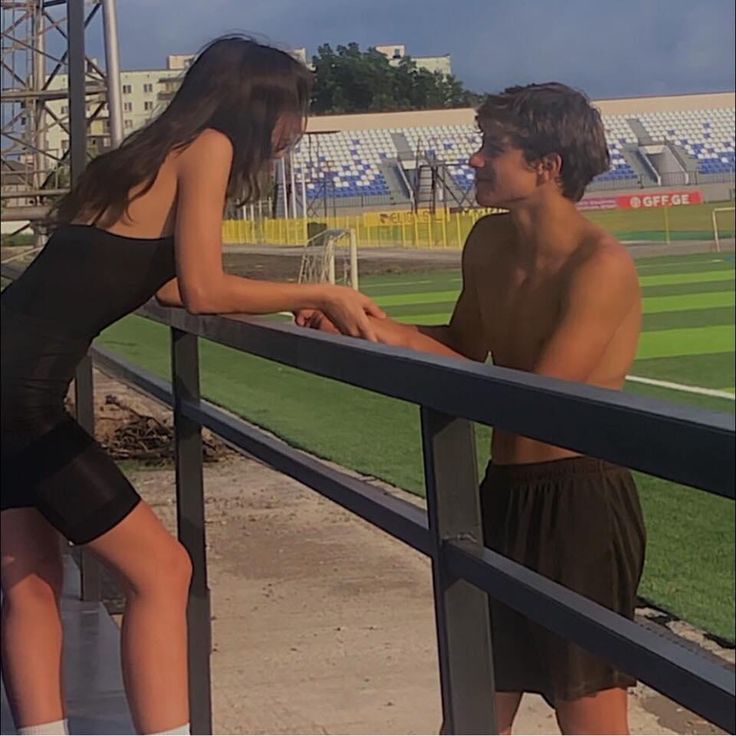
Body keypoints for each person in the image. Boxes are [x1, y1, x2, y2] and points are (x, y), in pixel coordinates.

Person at [0, 35, 384, 736]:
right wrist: (323, 291)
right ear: (255, 104)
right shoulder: (208, 149)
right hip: (18, 394)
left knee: (30, 583)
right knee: (162, 573)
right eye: (291, 111)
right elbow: (204, 289)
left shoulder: (138, 160)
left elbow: (165, 282)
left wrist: (275, 297)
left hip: (10, 375)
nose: (292, 130)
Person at [299, 83, 646, 735]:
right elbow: (461, 345)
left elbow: (532, 403)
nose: (475, 162)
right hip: (501, 494)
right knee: (470, 711)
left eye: (493, 148)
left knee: (590, 718)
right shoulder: (488, 242)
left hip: (581, 510)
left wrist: (391, 338)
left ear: (548, 167)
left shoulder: (600, 266)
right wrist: (359, 321)